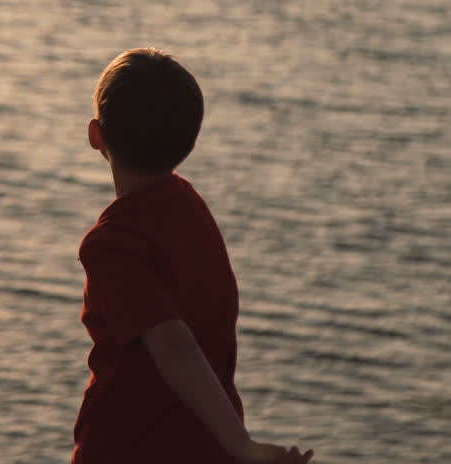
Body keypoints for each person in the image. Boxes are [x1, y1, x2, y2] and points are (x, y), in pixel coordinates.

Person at [72, 48, 313, 464]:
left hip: (130, 449)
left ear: (96, 135)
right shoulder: (190, 208)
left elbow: (173, 344)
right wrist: (235, 444)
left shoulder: (112, 244)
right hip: (208, 447)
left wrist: (243, 445)